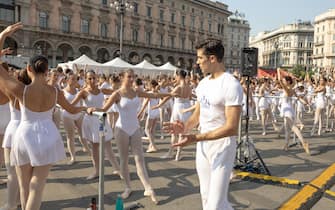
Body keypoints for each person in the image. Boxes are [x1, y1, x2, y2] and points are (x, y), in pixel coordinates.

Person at [164, 38, 242, 210]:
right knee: (206, 199)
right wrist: (184, 127)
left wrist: (195, 137)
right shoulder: (203, 83)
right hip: (203, 146)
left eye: (200, 58)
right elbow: (197, 115)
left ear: (212, 58)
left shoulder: (231, 84)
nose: (197, 62)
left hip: (222, 146)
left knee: (215, 205)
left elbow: (232, 127)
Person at [88, 69, 173, 204]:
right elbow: (104, 109)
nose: (132, 79)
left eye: (133, 76)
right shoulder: (117, 94)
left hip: (135, 128)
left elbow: (153, 95)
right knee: (124, 159)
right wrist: (92, 109)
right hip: (121, 129)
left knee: (140, 158)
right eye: (129, 76)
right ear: (122, 77)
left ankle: (148, 187)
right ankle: (128, 187)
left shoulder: (137, 91)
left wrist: (171, 93)